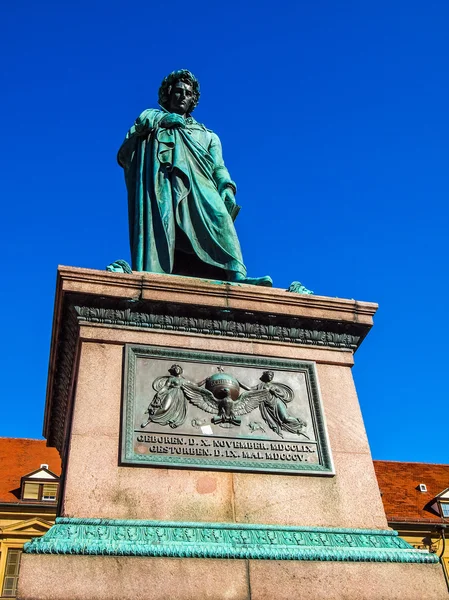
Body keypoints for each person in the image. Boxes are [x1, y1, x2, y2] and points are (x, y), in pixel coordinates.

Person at [118, 70, 271, 286]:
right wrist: (162, 120)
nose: (182, 96)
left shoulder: (209, 135)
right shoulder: (152, 119)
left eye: (187, 93)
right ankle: (157, 276)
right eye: (177, 91)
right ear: (168, 94)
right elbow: (129, 147)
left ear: (193, 100)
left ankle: (237, 275)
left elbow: (219, 167)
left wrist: (227, 188)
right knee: (164, 223)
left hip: (201, 185)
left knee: (220, 218)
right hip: (164, 184)